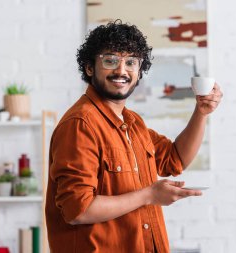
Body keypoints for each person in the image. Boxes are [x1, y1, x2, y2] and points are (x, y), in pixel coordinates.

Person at [45, 20, 223, 253]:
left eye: (131, 62)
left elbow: (174, 159)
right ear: (89, 68)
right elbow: (78, 210)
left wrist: (201, 113)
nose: (121, 70)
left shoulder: (132, 123)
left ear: (139, 71)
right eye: (110, 60)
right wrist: (150, 195)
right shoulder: (80, 125)